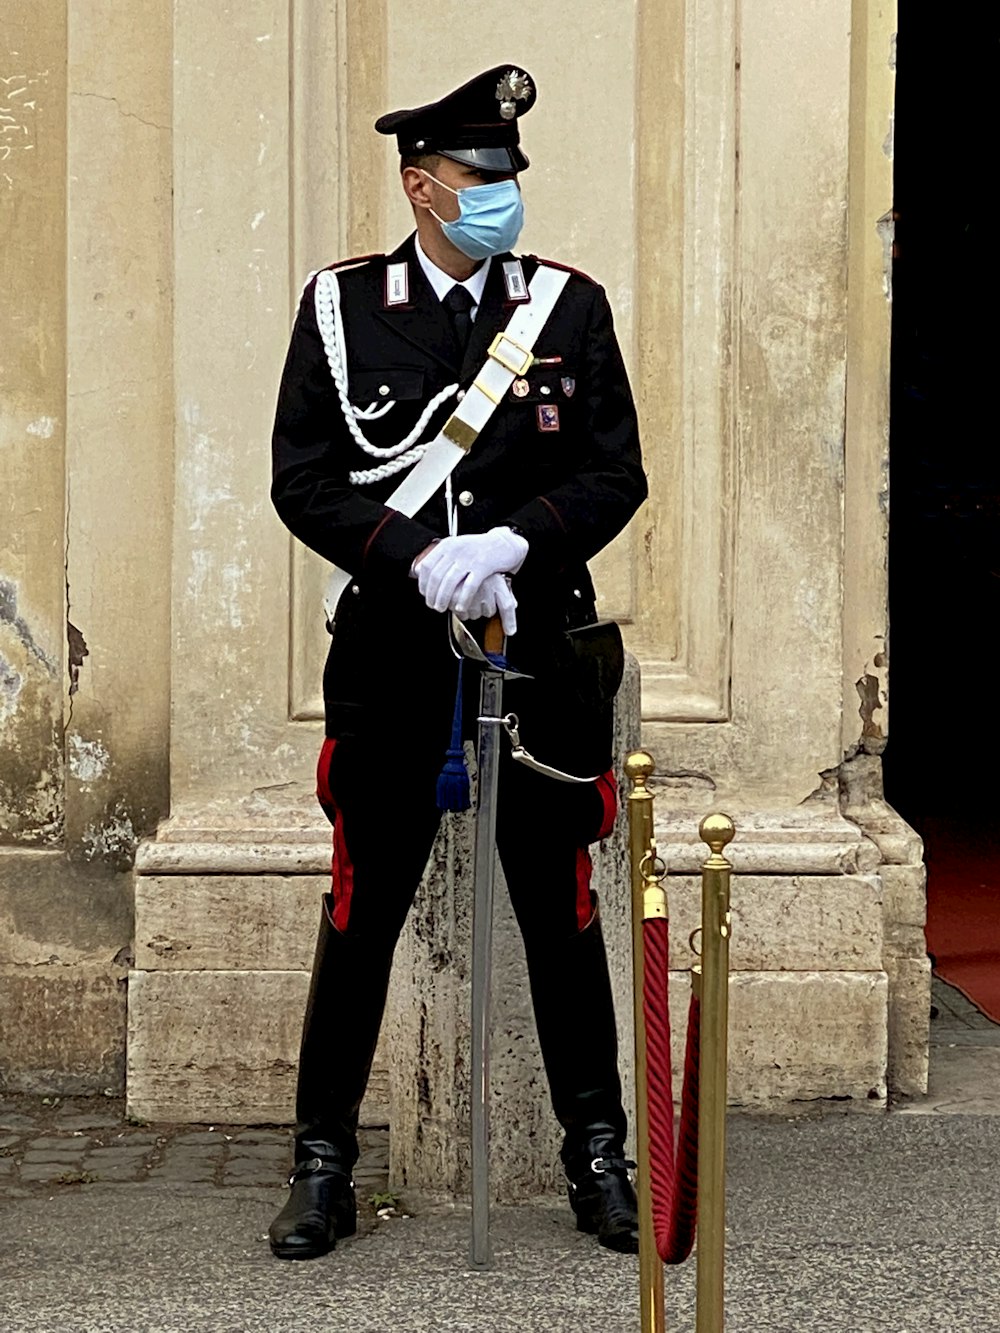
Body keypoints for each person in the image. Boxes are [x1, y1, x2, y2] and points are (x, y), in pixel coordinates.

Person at [268, 63, 648, 1261]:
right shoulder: (343, 308)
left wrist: (512, 542)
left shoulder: (566, 308)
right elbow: (304, 477)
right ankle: (322, 1161)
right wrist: (411, 556)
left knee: (562, 911)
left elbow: (613, 472)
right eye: (479, 180)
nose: (501, 199)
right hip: (393, 652)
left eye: (509, 180)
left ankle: (598, 1154)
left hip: (535, 652)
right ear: (419, 185)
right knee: (361, 908)